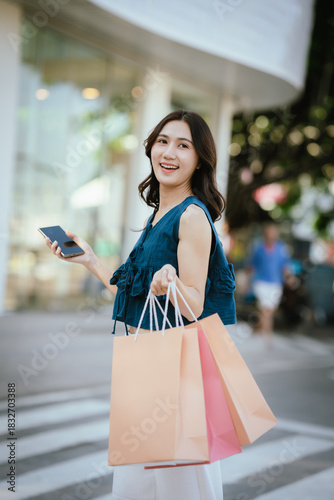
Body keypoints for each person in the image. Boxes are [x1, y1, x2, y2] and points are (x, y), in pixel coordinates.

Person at [45, 109, 237, 500]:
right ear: (150, 147)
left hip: (174, 380)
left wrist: (170, 281)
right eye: (163, 141)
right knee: (134, 489)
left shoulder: (192, 217)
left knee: (181, 489)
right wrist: (91, 260)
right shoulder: (157, 216)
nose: (170, 152)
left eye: (184, 145)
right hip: (145, 371)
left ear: (199, 159)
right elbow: (133, 298)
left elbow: (193, 304)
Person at [246, 223, 291, 347]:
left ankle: (256, 330)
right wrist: (247, 284)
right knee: (266, 310)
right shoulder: (258, 248)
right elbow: (251, 267)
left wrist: (289, 278)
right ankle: (268, 337)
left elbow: (285, 266)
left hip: (276, 284)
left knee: (267, 310)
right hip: (261, 283)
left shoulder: (282, 249)